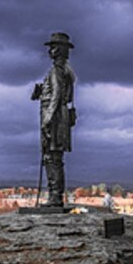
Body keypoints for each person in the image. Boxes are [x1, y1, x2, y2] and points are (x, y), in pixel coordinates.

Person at [30, 32, 76, 207]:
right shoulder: (65, 71)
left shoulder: (56, 71)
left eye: (54, 47)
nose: (50, 51)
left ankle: (55, 197)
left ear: (60, 50)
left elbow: (56, 95)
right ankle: (55, 196)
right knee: (54, 157)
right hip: (59, 115)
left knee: (52, 157)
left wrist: (47, 118)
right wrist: (42, 91)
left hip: (55, 117)